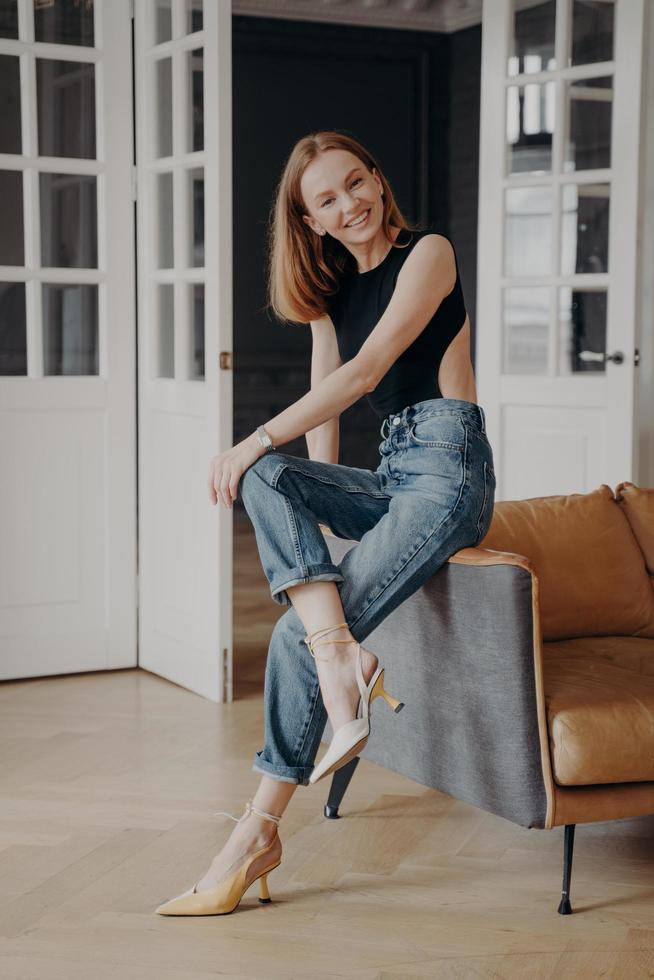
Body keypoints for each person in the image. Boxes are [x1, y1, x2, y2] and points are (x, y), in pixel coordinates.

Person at [155, 130, 496, 916]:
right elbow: (321, 432)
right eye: (328, 200)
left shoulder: (429, 253)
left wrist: (249, 438)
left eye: (357, 183)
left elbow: (364, 375)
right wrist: (317, 541)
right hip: (390, 475)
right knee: (272, 477)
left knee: (288, 627)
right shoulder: (331, 296)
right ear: (309, 221)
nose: (352, 205)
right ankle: (341, 661)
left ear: (378, 176)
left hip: (449, 474)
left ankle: (253, 836)